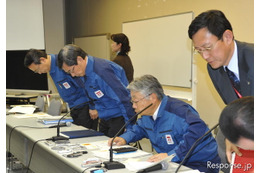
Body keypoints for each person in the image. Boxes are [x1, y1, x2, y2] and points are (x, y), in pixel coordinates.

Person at [108, 75, 220, 172]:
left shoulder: (179, 111)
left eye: (135, 101)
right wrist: (124, 138)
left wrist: (171, 155)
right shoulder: (148, 113)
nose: (133, 106)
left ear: (152, 98)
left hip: (199, 163)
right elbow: (140, 128)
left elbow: (198, 133)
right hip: (171, 163)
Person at [188, 10, 254, 172]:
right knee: (221, 141)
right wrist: (233, 134)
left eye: (208, 48)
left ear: (227, 37)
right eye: (199, 50)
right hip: (246, 125)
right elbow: (231, 104)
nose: (205, 56)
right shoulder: (214, 68)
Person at [57, 44, 136, 137]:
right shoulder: (83, 72)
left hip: (119, 118)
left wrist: (130, 127)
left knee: (113, 149)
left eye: (72, 70)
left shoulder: (102, 72)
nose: (73, 75)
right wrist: (92, 107)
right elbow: (89, 92)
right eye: (69, 73)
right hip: (105, 116)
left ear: (79, 59)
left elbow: (124, 99)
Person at [24, 49, 98, 130]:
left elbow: (86, 85)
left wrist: (93, 107)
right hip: (74, 107)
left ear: (42, 60)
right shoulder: (51, 68)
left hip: (85, 107)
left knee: (86, 136)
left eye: (37, 69)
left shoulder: (63, 64)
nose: (39, 73)